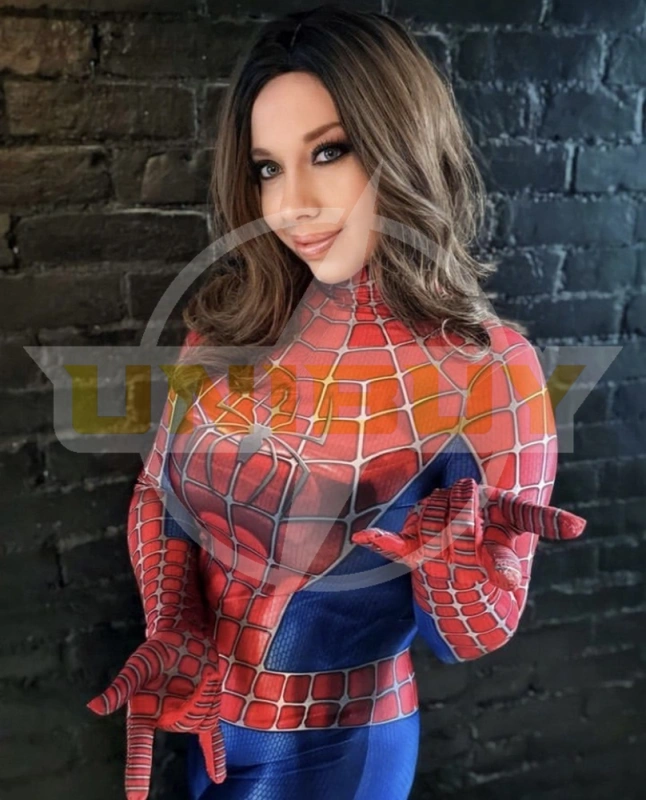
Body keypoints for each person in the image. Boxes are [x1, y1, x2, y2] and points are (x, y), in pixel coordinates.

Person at [85, 6, 587, 799]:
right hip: (208, 722)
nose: (292, 204)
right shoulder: (227, 326)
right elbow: (158, 490)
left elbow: (475, 636)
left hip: (346, 744)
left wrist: (451, 566)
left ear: (400, 144)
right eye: (268, 168)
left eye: (329, 151)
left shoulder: (489, 370)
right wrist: (172, 624)